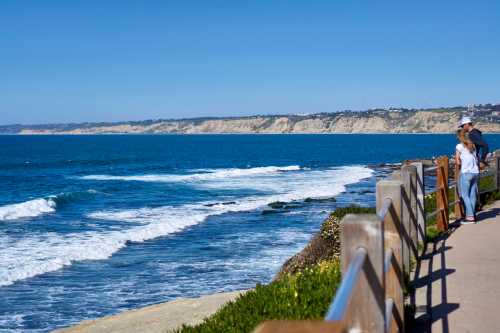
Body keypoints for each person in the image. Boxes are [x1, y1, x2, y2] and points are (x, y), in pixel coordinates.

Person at [455, 128, 479, 224]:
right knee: (472, 194)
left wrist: (460, 162)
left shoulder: (459, 146)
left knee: (465, 195)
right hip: (475, 172)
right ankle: (472, 214)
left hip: (466, 172)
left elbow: (457, 160)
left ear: (459, 137)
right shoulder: (473, 146)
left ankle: (470, 217)